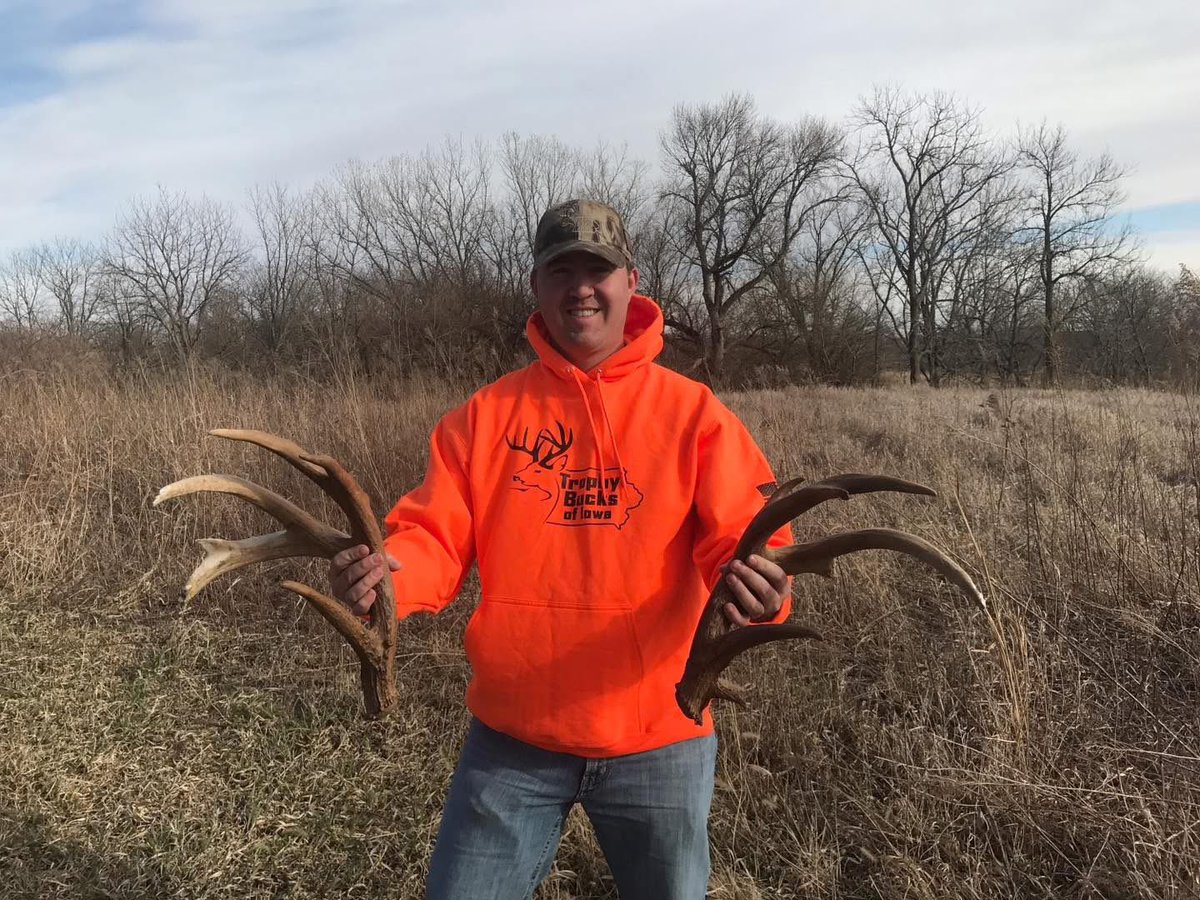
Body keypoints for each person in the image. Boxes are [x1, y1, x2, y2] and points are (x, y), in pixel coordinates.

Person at [328, 199, 791, 899]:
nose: (581, 287)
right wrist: (387, 578)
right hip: (515, 737)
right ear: (536, 286)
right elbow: (432, 538)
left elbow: (746, 538)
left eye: (597, 270)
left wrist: (760, 586)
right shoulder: (482, 420)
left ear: (631, 281)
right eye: (561, 269)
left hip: (662, 733)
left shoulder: (695, 415)